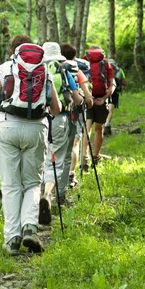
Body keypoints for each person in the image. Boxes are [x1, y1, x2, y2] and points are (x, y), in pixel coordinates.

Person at [0, 35, 62, 256]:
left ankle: (12, 239)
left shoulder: (5, 68)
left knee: (10, 185)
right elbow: (56, 109)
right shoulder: (44, 70)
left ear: (13, 50)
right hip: (36, 129)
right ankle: (29, 226)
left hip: (7, 128)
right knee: (32, 183)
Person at [39, 42, 84, 225]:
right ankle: (52, 195)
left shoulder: (37, 71)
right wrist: (80, 96)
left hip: (39, 120)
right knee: (59, 159)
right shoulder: (64, 71)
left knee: (42, 158)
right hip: (60, 119)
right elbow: (77, 98)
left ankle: (38, 195)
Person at [58, 43, 93, 189]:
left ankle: (53, 178)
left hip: (56, 113)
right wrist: (89, 101)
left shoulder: (51, 69)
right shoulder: (76, 70)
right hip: (74, 113)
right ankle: (70, 175)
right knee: (74, 144)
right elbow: (88, 98)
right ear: (74, 56)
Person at [82, 45, 115, 169]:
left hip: (88, 99)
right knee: (99, 129)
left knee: (87, 128)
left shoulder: (84, 62)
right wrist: (104, 99)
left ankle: (84, 158)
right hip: (101, 99)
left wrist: (88, 97)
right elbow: (111, 85)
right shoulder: (106, 65)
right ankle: (96, 156)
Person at [103, 58, 126, 136]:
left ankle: (102, 125)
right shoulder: (119, 70)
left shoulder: (103, 69)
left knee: (104, 108)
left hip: (104, 91)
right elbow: (124, 82)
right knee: (110, 109)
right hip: (115, 91)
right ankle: (107, 124)